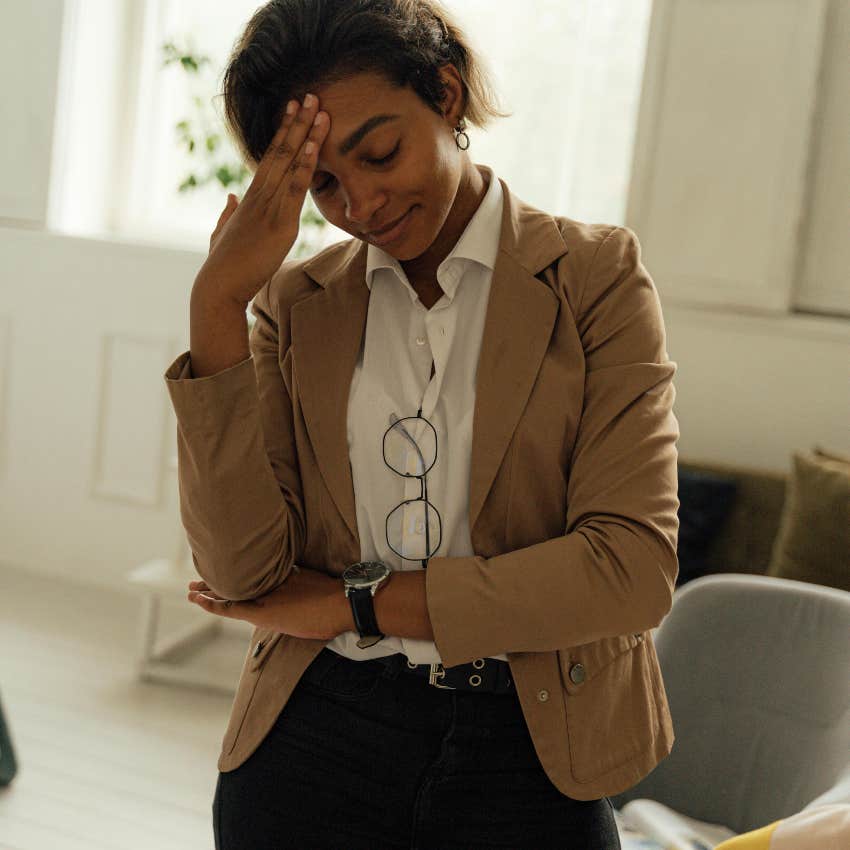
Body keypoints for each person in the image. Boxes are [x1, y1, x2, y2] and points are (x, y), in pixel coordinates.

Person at [164, 1, 681, 847]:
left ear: (445, 97)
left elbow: (629, 571)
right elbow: (243, 571)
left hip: (533, 743)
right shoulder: (297, 308)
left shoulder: (595, 278)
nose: (361, 203)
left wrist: (350, 606)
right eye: (322, 184)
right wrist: (218, 305)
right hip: (311, 746)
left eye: (379, 152)